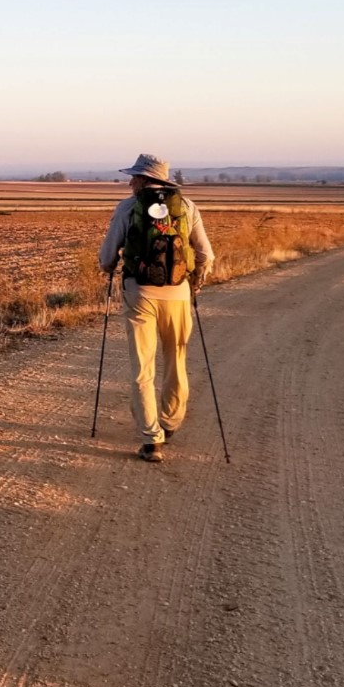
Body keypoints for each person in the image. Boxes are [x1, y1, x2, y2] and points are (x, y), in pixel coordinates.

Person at [98, 153, 215, 462]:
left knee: (142, 368)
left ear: (142, 179)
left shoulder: (127, 208)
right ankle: (170, 421)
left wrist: (109, 268)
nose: (130, 183)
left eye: (133, 178)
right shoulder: (186, 207)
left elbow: (107, 256)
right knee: (176, 360)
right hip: (179, 294)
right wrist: (196, 282)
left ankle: (152, 440)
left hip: (140, 295)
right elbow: (206, 255)